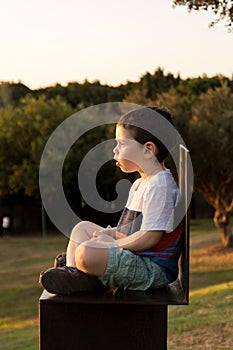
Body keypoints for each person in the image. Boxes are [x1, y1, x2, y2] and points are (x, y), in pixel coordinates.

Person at [40, 106, 183, 295]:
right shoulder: (141, 183)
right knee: (82, 229)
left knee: (86, 251)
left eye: (121, 144)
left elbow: (149, 237)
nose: (115, 150)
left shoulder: (160, 186)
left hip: (150, 268)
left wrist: (111, 244)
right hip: (135, 256)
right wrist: (110, 233)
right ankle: (76, 275)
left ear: (148, 150)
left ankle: (83, 271)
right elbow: (132, 229)